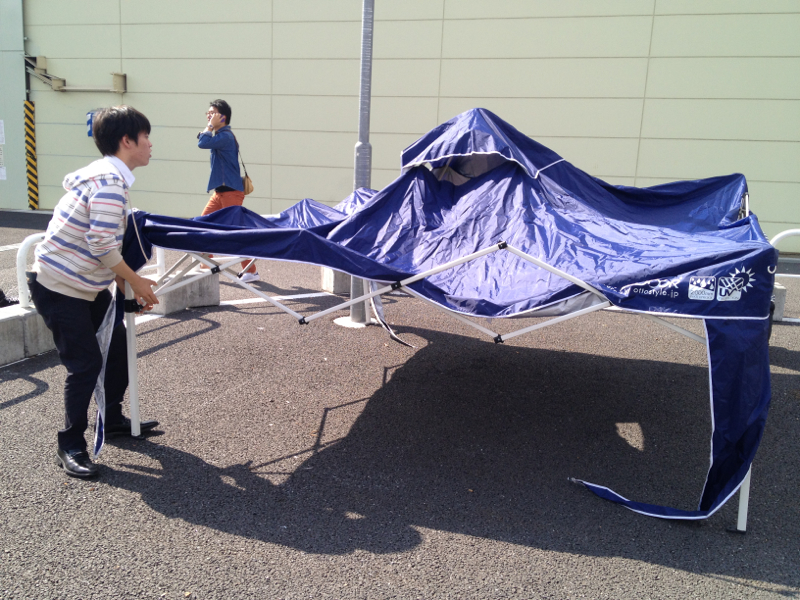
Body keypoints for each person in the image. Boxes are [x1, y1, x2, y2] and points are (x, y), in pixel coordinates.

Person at [29, 105, 160, 479]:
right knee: (85, 364)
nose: (150, 144)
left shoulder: (107, 177)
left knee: (117, 349)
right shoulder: (110, 184)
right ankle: (71, 444)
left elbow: (104, 249)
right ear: (127, 141)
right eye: (146, 137)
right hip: (60, 286)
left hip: (86, 283)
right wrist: (137, 282)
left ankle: (112, 418)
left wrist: (127, 289)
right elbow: (102, 245)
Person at [197, 99, 259, 282]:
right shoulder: (219, 136)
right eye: (208, 113)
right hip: (220, 192)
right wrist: (209, 128)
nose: (208, 116)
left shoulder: (225, 137)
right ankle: (206, 264)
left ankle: (251, 271)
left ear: (222, 117)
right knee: (202, 225)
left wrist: (209, 127)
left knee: (236, 233)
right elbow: (203, 140)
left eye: (212, 113)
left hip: (231, 192)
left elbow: (202, 143)